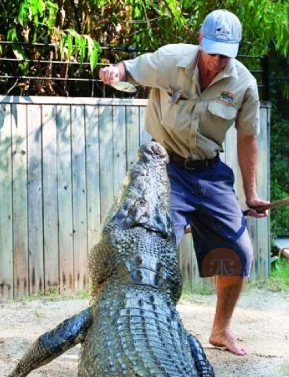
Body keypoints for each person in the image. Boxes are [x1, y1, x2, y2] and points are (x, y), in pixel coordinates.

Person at [97, 10, 271, 356]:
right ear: (200, 40)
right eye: (214, 52)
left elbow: (248, 138)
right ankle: (148, 332)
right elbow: (131, 69)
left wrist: (250, 194)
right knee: (153, 254)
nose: (219, 61)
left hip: (209, 173)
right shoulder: (172, 60)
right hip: (164, 169)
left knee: (237, 253)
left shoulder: (243, 83)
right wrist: (115, 71)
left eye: (227, 54)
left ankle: (221, 330)